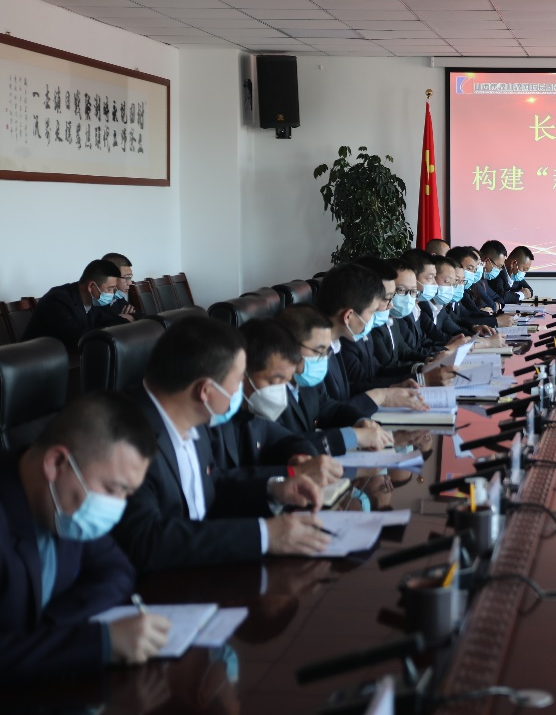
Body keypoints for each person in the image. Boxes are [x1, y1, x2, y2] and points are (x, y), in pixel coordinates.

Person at [113, 315, 331, 573]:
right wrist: (263, 535)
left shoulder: (193, 421)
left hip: (203, 568)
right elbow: (146, 540)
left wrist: (275, 489)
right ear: (205, 391)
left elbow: (212, 484)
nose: (241, 389)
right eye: (238, 380)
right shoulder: (124, 437)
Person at [1, 392, 171, 678]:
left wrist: (53, 629)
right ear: (56, 463)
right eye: (112, 489)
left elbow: (117, 570)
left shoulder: (65, 507)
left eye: (127, 493)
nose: (117, 505)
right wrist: (100, 642)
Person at [208, 318, 343, 488]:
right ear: (243, 372)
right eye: (275, 380)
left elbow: (288, 439)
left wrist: (302, 458)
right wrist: (290, 473)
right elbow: (216, 484)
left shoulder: (254, 413)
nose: (280, 391)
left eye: (285, 382)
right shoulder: (211, 420)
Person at [274, 305, 394, 456]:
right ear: (290, 348)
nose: (324, 359)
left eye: (327, 352)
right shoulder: (269, 392)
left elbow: (328, 408)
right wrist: (352, 437)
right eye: (319, 351)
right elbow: (282, 446)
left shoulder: (305, 380)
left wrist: (359, 420)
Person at [312, 264, 427, 410]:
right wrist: (382, 395)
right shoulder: (313, 353)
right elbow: (326, 408)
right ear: (348, 316)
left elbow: (348, 390)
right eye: (372, 312)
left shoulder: (334, 343)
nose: (388, 307)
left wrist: (391, 389)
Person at [23, 259, 133, 356]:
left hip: (67, 359)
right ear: (91, 286)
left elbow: (109, 320)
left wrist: (132, 320)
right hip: (35, 361)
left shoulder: (93, 300)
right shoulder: (57, 300)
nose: (112, 293)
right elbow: (76, 337)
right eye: (110, 289)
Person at [102, 252, 136, 316]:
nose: (130, 283)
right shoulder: (97, 300)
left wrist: (129, 317)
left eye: (130, 277)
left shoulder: (118, 296)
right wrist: (120, 319)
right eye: (126, 277)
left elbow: (138, 314)